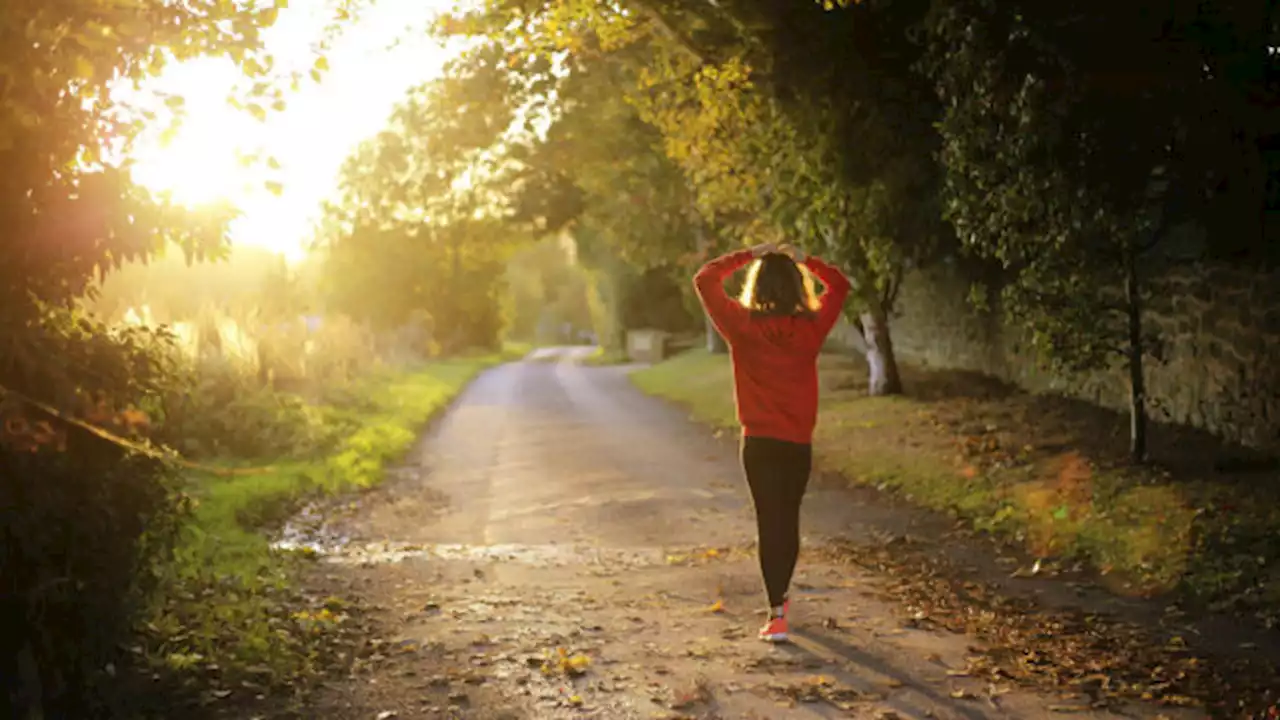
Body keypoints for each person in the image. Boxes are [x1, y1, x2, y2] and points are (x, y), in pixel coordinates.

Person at [693, 241, 851, 642]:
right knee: (789, 519)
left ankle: (776, 612)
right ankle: (780, 602)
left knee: (769, 522)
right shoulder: (811, 328)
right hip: (796, 442)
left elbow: (705, 278)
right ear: (797, 287)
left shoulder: (741, 326)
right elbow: (840, 285)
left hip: (759, 443)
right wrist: (806, 259)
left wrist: (749, 253)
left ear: (757, 286)